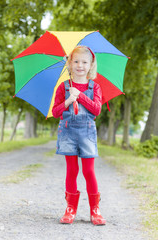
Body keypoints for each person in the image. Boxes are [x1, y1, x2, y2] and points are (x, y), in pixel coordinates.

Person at [52, 45, 106, 225]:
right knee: (72, 170)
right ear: (69, 63)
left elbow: (97, 110)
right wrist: (68, 100)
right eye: (75, 61)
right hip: (68, 131)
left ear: (91, 65)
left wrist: (80, 96)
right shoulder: (63, 87)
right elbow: (56, 111)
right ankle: (70, 209)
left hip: (87, 132)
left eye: (84, 62)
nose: (80, 65)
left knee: (89, 171)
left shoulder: (95, 87)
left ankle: (95, 210)